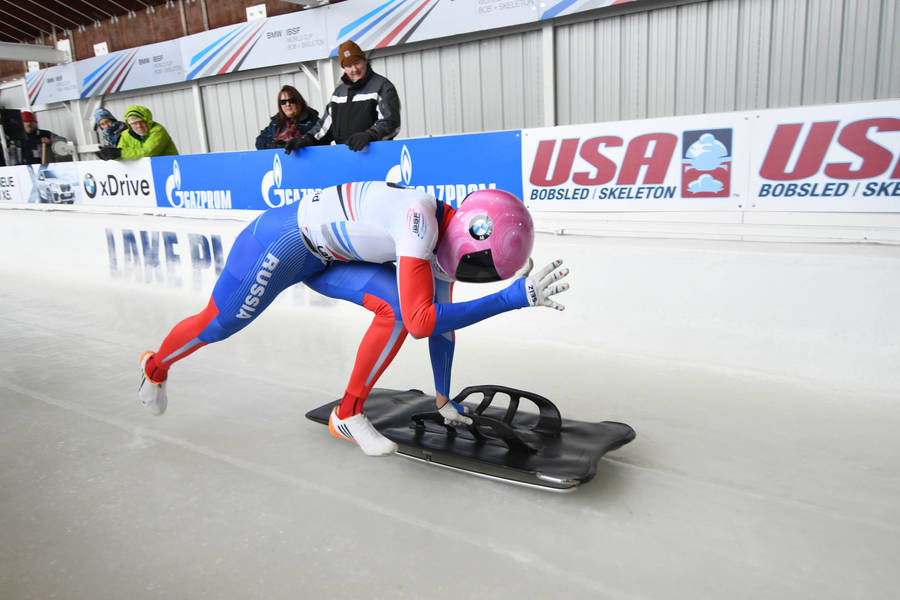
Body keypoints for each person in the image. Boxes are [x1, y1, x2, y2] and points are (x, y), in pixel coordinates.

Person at [138, 183, 569, 456]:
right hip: (281, 243)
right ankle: (155, 367)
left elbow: (442, 329)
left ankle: (348, 413)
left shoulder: (444, 240)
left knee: (398, 310)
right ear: (470, 235)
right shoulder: (417, 223)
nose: (470, 277)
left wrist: (443, 398)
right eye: (478, 269)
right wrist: (512, 297)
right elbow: (425, 322)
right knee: (219, 324)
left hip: (328, 258)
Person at [284, 41, 400, 154]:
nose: (354, 69)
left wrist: (370, 135)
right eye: (349, 65)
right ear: (344, 68)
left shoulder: (382, 86)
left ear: (364, 60)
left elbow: (391, 122)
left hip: (375, 155)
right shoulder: (339, 93)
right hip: (345, 158)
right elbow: (325, 127)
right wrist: (306, 139)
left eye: (357, 62)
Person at [98, 105, 178, 160]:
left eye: (141, 122)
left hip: (169, 170)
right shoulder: (125, 135)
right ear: (129, 124)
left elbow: (148, 152)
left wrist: (120, 153)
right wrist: (109, 154)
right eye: (134, 123)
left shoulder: (157, 130)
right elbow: (121, 155)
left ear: (148, 121)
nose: (139, 126)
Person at [255, 85, 319, 150]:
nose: (287, 104)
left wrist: (300, 142)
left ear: (299, 101)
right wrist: (271, 146)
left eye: (291, 101)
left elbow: (320, 140)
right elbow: (260, 141)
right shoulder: (276, 122)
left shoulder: (312, 121)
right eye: (283, 102)